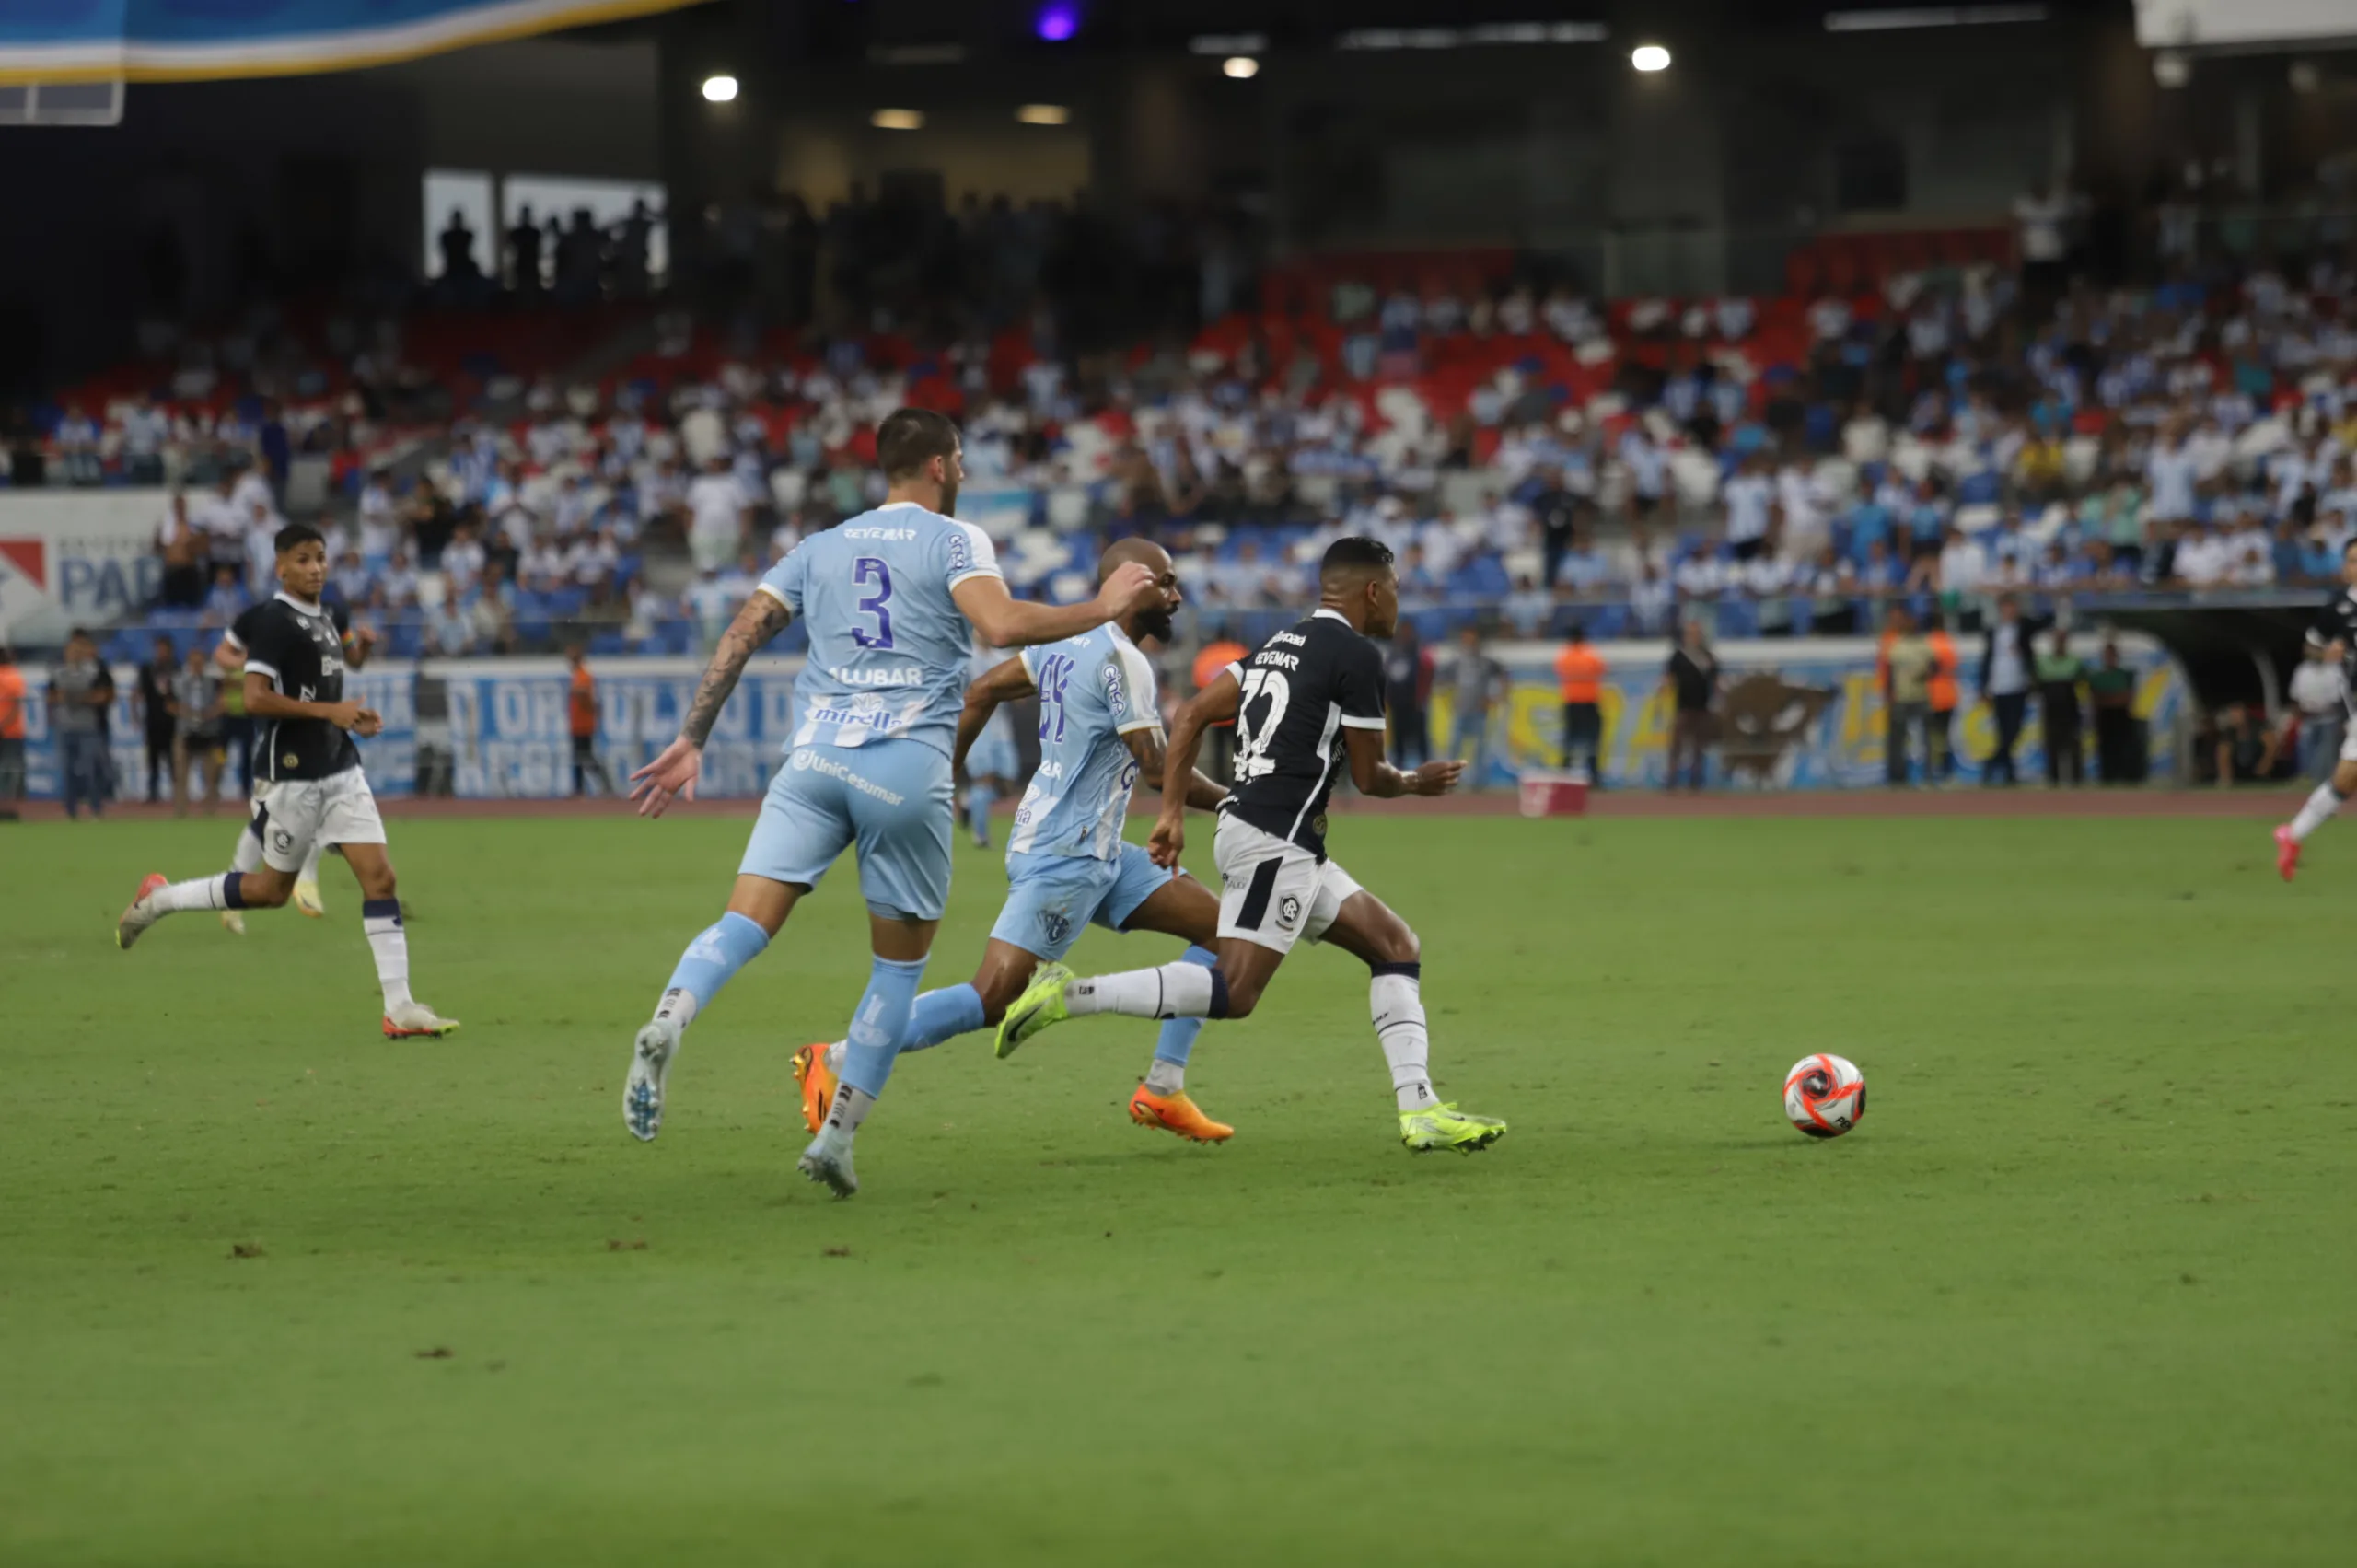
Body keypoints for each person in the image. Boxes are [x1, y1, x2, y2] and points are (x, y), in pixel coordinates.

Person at [618, 409, 1161, 1197]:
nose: (963, 472)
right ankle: (836, 1139)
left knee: (742, 922)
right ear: (939, 466)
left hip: (814, 759)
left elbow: (743, 630)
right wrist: (1103, 607)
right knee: (896, 969)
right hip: (904, 767)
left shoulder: (819, 545)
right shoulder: (954, 539)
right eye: (961, 459)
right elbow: (1002, 623)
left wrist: (692, 736)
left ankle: (670, 1015)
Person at [993, 536, 1508, 1156]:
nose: (1399, 601)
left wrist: (1174, 812)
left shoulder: (1279, 644)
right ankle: (1071, 996)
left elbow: (1191, 715)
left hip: (1276, 834)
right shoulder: (1356, 656)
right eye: (1395, 588)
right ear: (1372, 591)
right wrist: (1415, 782)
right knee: (1235, 992)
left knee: (1395, 945)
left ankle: (1420, 1108)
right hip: (1275, 840)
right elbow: (1371, 778)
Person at [793, 540, 1239, 1144]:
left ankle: (1163, 1088)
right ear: (1133, 584)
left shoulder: (1064, 641)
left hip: (1099, 852)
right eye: (1166, 582)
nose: (1177, 596)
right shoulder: (1122, 659)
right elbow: (1158, 769)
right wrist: (1238, 800)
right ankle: (836, 1057)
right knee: (993, 998)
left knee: (1225, 934)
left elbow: (980, 692)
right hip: (1063, 856)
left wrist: (941, 780)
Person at [114, 522, 459, 1040]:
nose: (315, 568)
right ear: (280, 567)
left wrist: (348, 710)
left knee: (381, 879)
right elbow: (254, 697)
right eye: (303, 559)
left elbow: (335, 676)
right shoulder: (274, 621)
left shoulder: (328, 615)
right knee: (270, 892)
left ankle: (400, 1007)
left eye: (320, 557)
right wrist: (330, 712)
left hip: (340, 768)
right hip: (291, 775)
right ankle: (160, 899)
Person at [2275, 540, 2357, 879]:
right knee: (2346, 777)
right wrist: (2327, 653)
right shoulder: (2336, 609)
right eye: (2352, 560)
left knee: (2346, 778)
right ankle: (2292, 835)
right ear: (2345, 567)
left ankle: (2292, 835)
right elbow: (2310, 647)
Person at [49, 629, 114, 820]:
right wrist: (81, 698)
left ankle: (95, 808)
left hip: (88, 727)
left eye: (78, 651)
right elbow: (53, 696)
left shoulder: (93, 672)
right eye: (72, 651)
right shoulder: (58, 673)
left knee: (90, 768)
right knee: (68, 769)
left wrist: (76, 698)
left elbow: (102, 695)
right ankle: (71, 810)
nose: (75, 655)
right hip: (66, 726)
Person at [1980, 594, 2036, 785]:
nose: (2009, 611)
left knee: (2014, 731)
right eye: (2006, 607)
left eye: (2012, 607)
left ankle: (1993, 762)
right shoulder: (1993, 631)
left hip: (2018, 686)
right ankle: (2009, 773)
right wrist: (1984, 686)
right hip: (1998, 687)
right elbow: (1986, 659)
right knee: (2003, 732)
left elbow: (2045, 622)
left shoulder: (2023, 629)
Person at [1444, 624, 1508, 791]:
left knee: (1480, 748)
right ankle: (1450, 779)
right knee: (1455, 746)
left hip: (1479, 711)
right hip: (1461, 710)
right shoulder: (1457, 661)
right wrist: (1452, 699)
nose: (1468, 641)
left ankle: (1478, 782)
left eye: (1471, 637)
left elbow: (1503, 675)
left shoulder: (1485, 662)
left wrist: (1496, 698)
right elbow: (1445, 681)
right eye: (1465, 638)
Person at [1879, 606, 1938, 787]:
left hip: (1921, 696)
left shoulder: (1923, 645)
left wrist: (1926, 674)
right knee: (1897, 739)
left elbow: (1935, 666)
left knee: (1926, 738)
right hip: (1901, 697)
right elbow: (1889, 671)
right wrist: (1889, 693)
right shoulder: (1897, 645)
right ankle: (1897, 777)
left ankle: (1928, 775)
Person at [1662, 620, 1717, 791]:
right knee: (1676, 744)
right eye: (1691, 633)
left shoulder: (1707, 656)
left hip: (1702, 708)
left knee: (1699, 746)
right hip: (1683, 708)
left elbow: (1715, 679)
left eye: (1696, 633)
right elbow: (1668, 678)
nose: (1694, 637)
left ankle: (1696, 780)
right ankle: (1672, 779)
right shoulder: (1678, 656)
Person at [171, 644, 226, 817]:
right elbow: (171, 705)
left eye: (199, 662)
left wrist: (209, 713)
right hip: (186, 732)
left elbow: (222, 704)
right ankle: (181, 810)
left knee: (212, 774)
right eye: (193, 663)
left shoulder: (214, 683)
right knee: (181, 774)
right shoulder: (179, 682)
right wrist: (187, 712)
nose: (196, 666)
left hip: (208, 732)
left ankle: (210, 810)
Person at [1191, 624, 1248, 784]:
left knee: (1219, 752)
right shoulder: (1238, 651)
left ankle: (1220, 782)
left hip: (1214, 712)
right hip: (1236, 711)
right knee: (1240, 748)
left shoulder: (1206, 655)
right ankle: (1239, 780)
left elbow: (1199, 681)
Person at [1555, 621, 1606, 782]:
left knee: (1569, 740)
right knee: (1592, 740)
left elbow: (1559, 670)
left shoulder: (1565, 656)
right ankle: (1594, 775)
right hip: (1589, 702)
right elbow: (1601, 669)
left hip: (1571, 702)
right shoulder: (1590, 655)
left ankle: (1565, 774)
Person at [2036, 629, 2087, 786]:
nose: (2059, 643)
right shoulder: (2043, 663)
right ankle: (2053, 780)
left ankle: (2077, 781)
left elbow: (2082, 684)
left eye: (2062, 640)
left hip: (2070, 709)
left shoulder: (2074, 662)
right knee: (2052, 745)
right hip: (2051, 709)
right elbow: (2037, 685)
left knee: (2073, 746)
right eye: (2057, 640)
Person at [2087, 639, 2142, 784]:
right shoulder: (2097, 677)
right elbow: (2096, 699)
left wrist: (2108, 698)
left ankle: (2124, 778)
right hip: (2104, 717)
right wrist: (2113, 698)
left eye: (2112, 655)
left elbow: (2126, 698)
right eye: (2107, 655)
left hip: (2121, 716)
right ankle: (2107, 778)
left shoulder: (2124, 675)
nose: (2109, 658)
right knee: (2106, 748)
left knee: (2123, 747)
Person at [1384, 619, 1434, 771]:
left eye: (1408, 631)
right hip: (1397, 704)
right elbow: (1387, 676)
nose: (1405, 634)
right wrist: (1388, 697)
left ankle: (1426, 769)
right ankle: (1399, 769)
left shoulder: (1419, 652)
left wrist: (1421, 697)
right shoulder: (1393, 652)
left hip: (1415, 704)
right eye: (1402, 631)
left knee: (1420, 739)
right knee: (1398, 739)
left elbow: (1428, 674)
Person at [566, 645, 615, 797]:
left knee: (584, 756)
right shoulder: (578, 676)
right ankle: (579, 788)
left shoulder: (583, 675)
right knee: (579, 757)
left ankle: (600, 783)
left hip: (583, 724)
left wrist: (576, 692)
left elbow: (583, 693)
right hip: (577, 724)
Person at [135, 635, 180, 804]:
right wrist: (135, 714)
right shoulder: (148, 669)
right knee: (152, 760)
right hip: (152, 721)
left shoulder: (177, 669)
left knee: (173, 760)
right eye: (159, 649)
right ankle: (153, 792)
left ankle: (177, 794)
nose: (162, 653)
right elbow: (137, 692)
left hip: (171, 722)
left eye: (165, 649)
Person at [0, 645, 24, 820]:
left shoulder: (11, 676)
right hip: (11, 731)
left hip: (9, 732)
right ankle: (9, 808)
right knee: (11, 771)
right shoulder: (13, 676)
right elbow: (16, 706)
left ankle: (8, 808)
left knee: (9, 771)